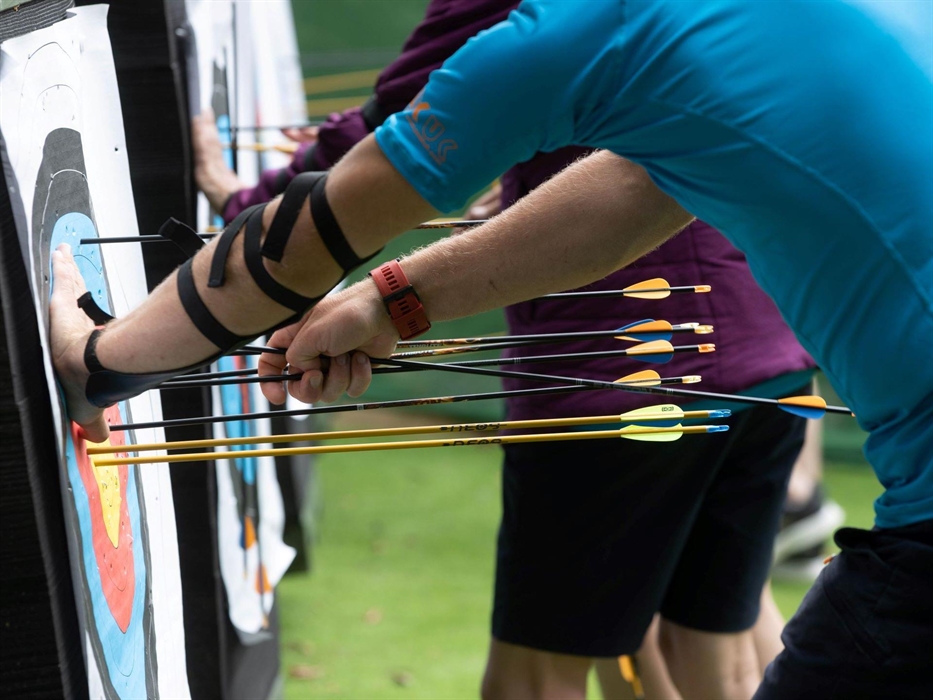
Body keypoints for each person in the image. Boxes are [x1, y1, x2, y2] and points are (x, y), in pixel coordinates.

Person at [51, 1, 932, 698]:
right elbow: (635, 183)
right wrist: (389, 301)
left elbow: (321, 228)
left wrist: (102, 359)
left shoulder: (593, 26)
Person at [194, 2, 813, 696]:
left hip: (619, 370)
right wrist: (523, 186)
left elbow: (394, 132)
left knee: (534, 674)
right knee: (712, 650)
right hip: (765, 347)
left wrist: (249, 212)